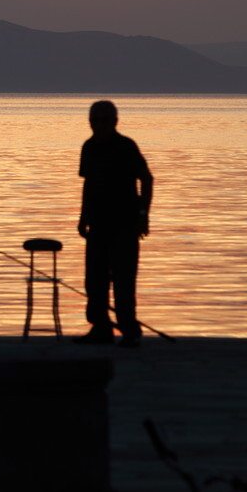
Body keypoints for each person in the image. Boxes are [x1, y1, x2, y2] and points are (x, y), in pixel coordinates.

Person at [75, 100, 153, 348]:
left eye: (104, 120)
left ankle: (129, 330)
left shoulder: (126, 146)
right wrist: (82, 217)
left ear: (115, 121)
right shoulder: (88, 147)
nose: (98, 125)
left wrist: (143, 214)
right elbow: (87, 184)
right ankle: (101, 328)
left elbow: (147, 179)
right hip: (98, 224)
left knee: (123, 279)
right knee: (94, 280)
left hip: (125, 224)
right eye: (94, 120)